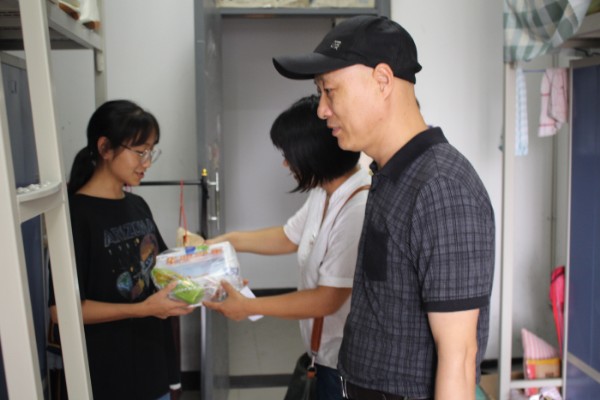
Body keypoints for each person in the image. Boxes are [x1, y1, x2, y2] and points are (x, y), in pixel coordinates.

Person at [273, 15, 495, 400]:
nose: (322, 110)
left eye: (330, 91)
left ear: (382, 80)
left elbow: (459, 358)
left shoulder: (442, 188)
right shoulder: (389, 173)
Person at [203, 95, 371, 399]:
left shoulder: (357, 208)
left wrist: (248, 306)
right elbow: (288, 237)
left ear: (314, 155)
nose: (285, 163)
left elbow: (327, 300)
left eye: (289, 155)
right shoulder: (325, 189)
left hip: (344, 365)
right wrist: (229, 240)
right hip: (324, 354)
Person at [48, 100, 194, 400]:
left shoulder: (137, 205)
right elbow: (61, 312)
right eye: (140, 152)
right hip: (108, 377)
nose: (147, 162)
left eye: (151, 151)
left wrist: (206, 268)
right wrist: (142, 310)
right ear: (105, 148)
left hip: (152, 369)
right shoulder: (75, 216)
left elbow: (161, 270)